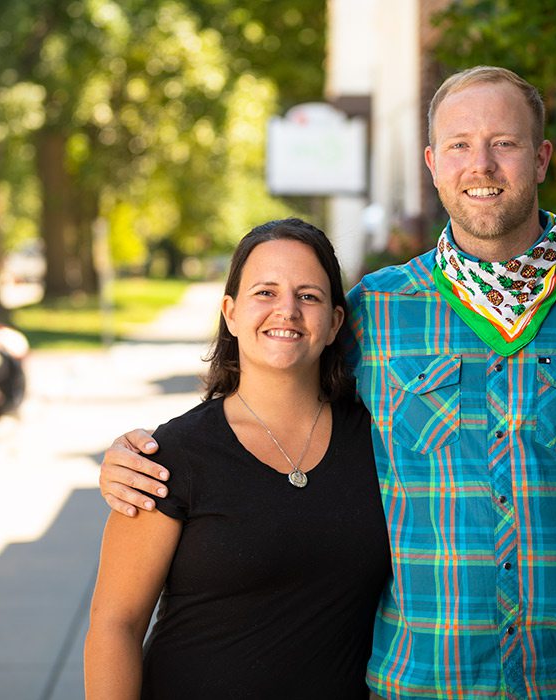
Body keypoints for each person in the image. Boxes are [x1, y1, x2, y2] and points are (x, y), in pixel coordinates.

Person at [100, 65, 556, 700]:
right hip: (420, 685)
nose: (482, 164)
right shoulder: (373, 313)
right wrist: (140, 459)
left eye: (505, 143)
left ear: (541, 159)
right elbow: (271, 406)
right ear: (432, 163)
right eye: (459, 145)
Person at [84, 220, 392, 698]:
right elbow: (114, 625)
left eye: (308, 296)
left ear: (334, 323)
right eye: (264, 292)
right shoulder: (173, 456)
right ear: (230, 312)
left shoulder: (380, 439)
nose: (286, 310)